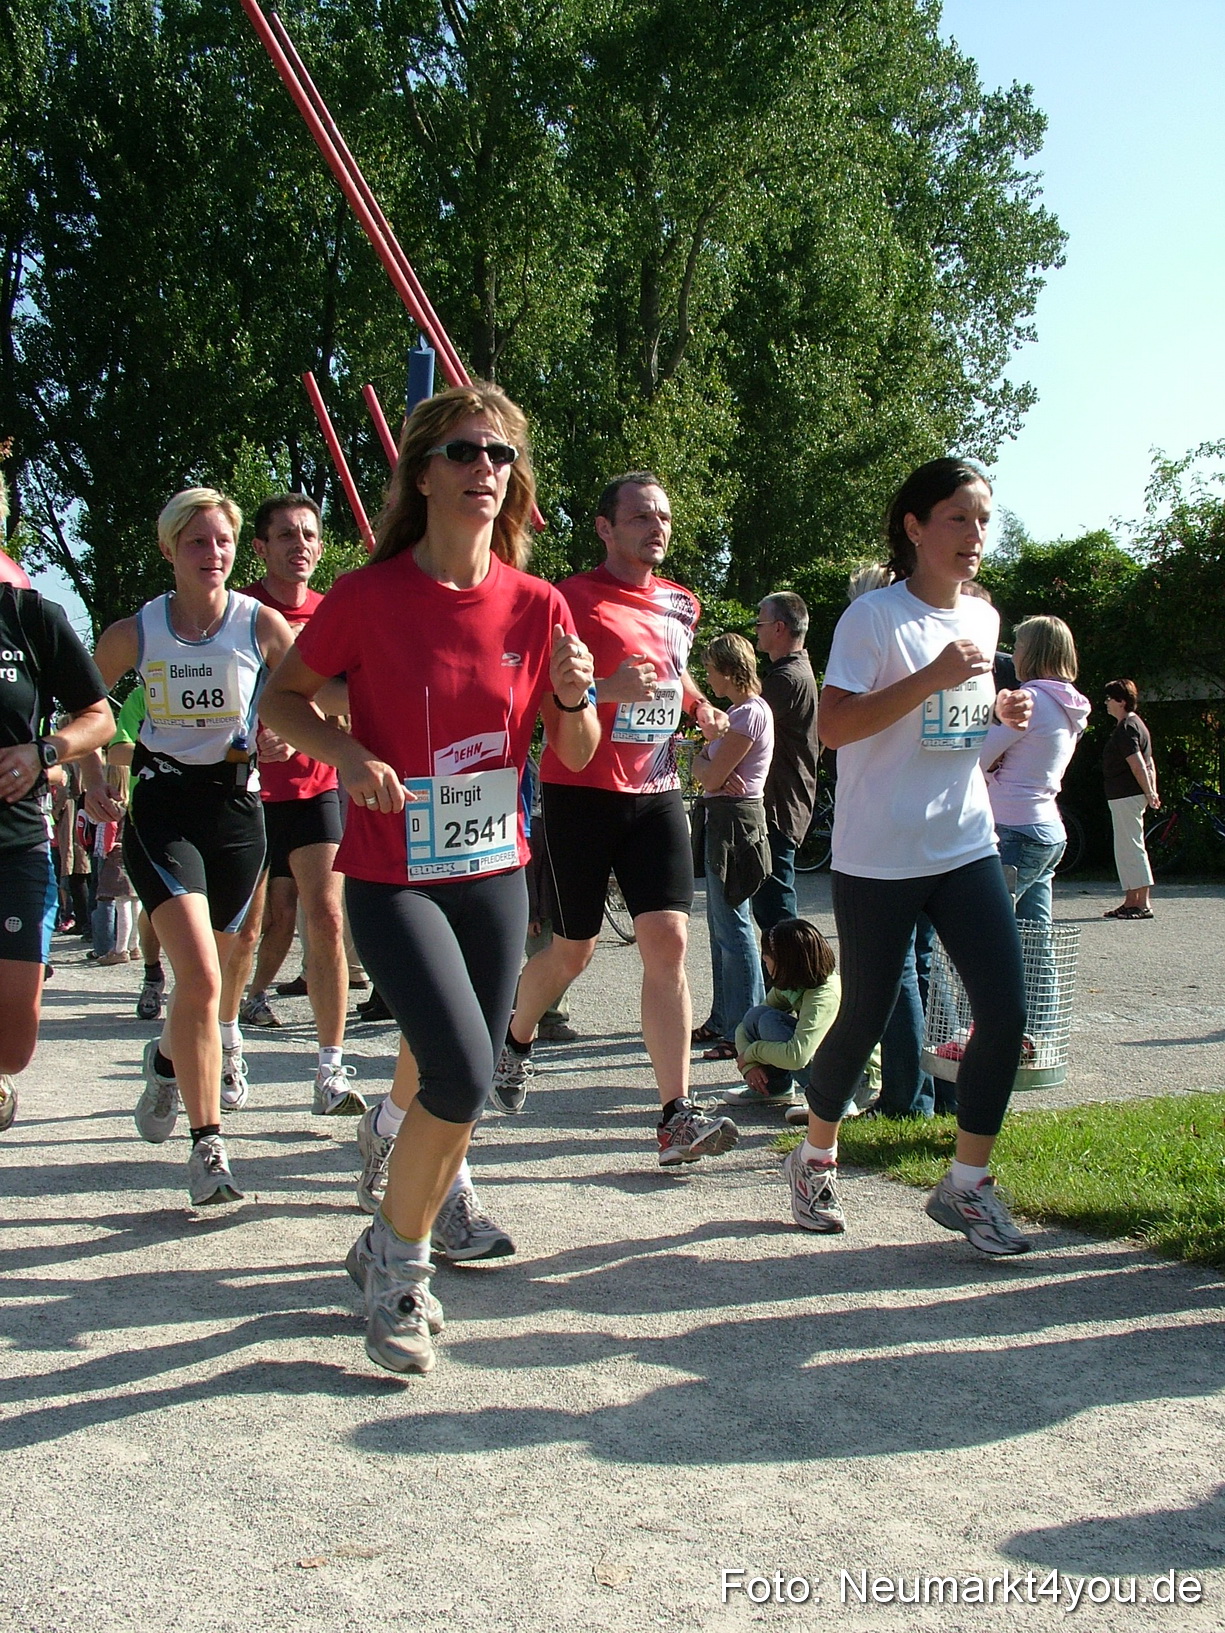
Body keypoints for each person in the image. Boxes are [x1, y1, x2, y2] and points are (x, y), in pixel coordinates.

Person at [258, 382, 598, 1375]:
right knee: (453, 1069)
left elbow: (570, 745)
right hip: (392, 872)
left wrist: (575, 694)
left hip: (493, 870)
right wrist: (348, 756)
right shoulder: (368, 596)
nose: (482, 470)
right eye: (462, 451)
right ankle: (400, 1273)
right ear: (422, 469)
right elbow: (283, 702)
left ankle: (381, 1238)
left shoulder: (538, 605)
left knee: (468, 1081)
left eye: (497, 456)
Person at [782, 457, 1035, 1255]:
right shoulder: (871, 618)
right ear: (915, 527)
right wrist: (930, 676)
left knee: (1005, 1013)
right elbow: (835, 728)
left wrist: (1001, 715)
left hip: (961, 840)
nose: (975, 535)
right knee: (859, 1020)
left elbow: (955, 739)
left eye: (983, 519)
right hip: (878, 853)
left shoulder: (986, 619)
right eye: (957, 518)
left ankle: (966, 1184)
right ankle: (815, 1153)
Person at [496, 471, 738, 1168]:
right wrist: (605, 690)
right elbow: (534, 688)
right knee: (573, 951)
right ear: (605, 527)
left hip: (655, 791)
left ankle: (675, 1115)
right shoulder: (567, 599)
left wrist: (698, 708)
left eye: (661, 515)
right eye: (638, 516)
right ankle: (513, 1037)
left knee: (669, 944)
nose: (654, 526)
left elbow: (673, 670)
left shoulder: (680, 602)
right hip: (581, 793)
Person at [84, 487, 297, 1205]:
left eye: (224, 543)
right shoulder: (138, 631)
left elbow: (315, 695)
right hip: (164, 807)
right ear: (170, 550)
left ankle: (169, 1061)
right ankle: (208, 1150)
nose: (213, 556)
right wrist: (91, 773)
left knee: (215, 977)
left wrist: (282, 731)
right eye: (198, 543)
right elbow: (85, 704)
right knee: (202, 982)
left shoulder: (259, 623)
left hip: (236, 811)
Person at [224, 493, 362, 1115]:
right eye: (285, 535)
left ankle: (330, 1069)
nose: (299, 545)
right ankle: (225, 1046)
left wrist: (306, 724)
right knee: (248, 928)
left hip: (315, 785)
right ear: (261, 547)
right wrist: (256, 731)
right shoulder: (240, 614)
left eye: (309, 535)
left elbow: (355, 695)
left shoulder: (335, 612)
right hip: (246, 789)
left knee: (326, 917)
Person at [0, 487, 114, 1132]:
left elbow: (96, 717)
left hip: (15, 840)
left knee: (14, 1042)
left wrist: (45, 749)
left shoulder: (30, 615)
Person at [690, 632, 774, 1058]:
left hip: (735, 822)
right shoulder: (736, 713)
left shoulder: (748, 714)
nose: (707, 677)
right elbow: (711, 771)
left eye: (709, 668)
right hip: (723, 818)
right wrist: (706, 761)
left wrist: (700, 759)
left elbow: (709, 775)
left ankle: (743, 1027)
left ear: (727, 670)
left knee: (734, 926)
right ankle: (724, 1018)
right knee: (720, 926)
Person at [980, 615, 1090, 923]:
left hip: (1014, 828)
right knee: (1035, 935)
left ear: (1033, 652)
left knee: (985, 924)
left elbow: (977, 757)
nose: (1013, 654)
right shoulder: (1069, 704)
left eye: (1018, 645)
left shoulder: (1028, 700)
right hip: (1047, 828)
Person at [752, 592, 821, 933]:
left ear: (779, 628)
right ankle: (787, 983)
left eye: (760, 623)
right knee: (773, 909)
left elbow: (744, 733)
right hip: (786, 803)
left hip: (778, 806)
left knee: (776, 914)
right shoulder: (794, 674)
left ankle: (795, 984)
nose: (756, 631)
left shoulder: (785, 680)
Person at [717, 917, 840, 1107]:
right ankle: (774, 1088)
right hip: (829, 1065)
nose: (765, 966)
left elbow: (797, 1057)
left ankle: (830, 1103)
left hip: (852, 1080)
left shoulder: (823, 996)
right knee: (760, 1017)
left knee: (769, 1024)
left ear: (786, 963)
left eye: (766, 961)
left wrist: (752, 1053)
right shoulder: (793, 983)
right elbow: (747, 1025)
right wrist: (750, 1065)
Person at [1102, 679, 1159, 920]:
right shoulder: (1136, 724)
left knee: (1132, 848)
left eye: (1109, 698)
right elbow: (1150, 762)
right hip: (1126, 795)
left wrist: (1149, 792)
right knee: (1125, 848)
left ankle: (1142, 903)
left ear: (1121, 701)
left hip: (1127, 795)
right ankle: (1130, 900)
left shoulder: (1127, 727)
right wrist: (1151, 790)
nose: (1106, 703)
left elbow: (1137, 763)